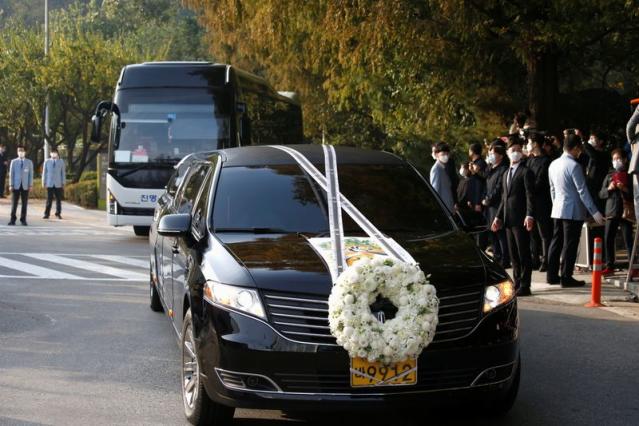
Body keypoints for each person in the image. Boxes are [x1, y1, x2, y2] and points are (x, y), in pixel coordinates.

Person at [546, 134, 606, 287]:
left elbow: (552, 189)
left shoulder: (553, 164)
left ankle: (551, 275)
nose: (580, 151)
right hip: (572, 211)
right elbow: (582, 191)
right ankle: (566, 276)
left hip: (557, 209)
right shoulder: (574, 166)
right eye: (579, 148)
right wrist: (594, 212)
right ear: (574, 148)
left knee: (556, 242)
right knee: (570, 244)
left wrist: (556, 205)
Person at [491, 138, 535, 296]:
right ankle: (517, 282)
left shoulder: (526, 172)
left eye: (518, 149)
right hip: (508, 219)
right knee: (513, 254)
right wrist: (498, 217)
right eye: (512, 150)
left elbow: (530, 195)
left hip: (521, 217)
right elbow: (504, 198)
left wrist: (530, 214)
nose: (515, 152)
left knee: (523, 253)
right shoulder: (505, 173)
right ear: (508, 153)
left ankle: (525, 284)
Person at [599, 149, 634, 275]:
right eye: (614, 159)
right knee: (608, 238)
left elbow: (634, 194)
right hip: (611, 210)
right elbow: (601, 194)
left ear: (625, 159)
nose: (616, 161)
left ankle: (633, 266)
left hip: (625, 211)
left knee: (628, 239)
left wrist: (624, 188)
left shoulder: (631, 175)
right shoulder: (609, 175)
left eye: (618, 158)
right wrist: (609, 188)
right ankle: (610, 265)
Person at [526, 133, 553, 272]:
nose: (527, 145)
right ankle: (535, 259)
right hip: (531, 202)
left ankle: (546, 260)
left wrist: (529, 187)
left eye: (529, 142)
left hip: (542, 201)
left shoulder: (546, 161)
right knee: (532, 233)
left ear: (535, 143)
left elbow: (540, 182)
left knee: (544, 233)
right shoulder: (530, 161)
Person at [483, 142, 510, 268]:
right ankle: (497, 256)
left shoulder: (503, 169)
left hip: (497, 206)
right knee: (492, 234)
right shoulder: (491, 169)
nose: (490, 155)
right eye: (490, 153)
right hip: (489, 207)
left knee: (500, 234)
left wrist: (489, 199)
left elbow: (499, 188)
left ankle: (505, 258)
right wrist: (485, 198)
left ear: (500, 155)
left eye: (493, 153)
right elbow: (486, 184)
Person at [8, 145, 34, 226]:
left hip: (25, 186)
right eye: (19, 151)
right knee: (14, 204)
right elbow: (11, 174)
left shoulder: (29, 162)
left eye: (22, 151)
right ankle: (12, 220)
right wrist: (11, 184)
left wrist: (30, 185)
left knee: (24, 204)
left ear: (25, 152)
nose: (20, 152)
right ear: (17, 152)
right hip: (15, 185)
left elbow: (31, 175)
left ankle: (23, 220)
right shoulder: (14, 162)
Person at [432, 144, 459, 208]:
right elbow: (435, 191)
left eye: (447, 154)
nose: (446, 156)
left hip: (449, 206)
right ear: (437, 155)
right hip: (443, 208)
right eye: (443, 154)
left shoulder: (443, 168)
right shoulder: (436, 169)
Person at [42, 148, 66, 219]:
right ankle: (47, 213)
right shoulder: (47, 161)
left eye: (55, 152)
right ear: (50, 153)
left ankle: (58, 213)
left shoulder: (61, 161)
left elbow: (63, 173)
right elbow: (44, 173)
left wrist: (63, 182)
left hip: (58, 183)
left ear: (57, 153)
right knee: (49, 199)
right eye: (52, 152)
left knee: (58, 199)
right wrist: (44, 182)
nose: (54, 154)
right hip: (49, 183)